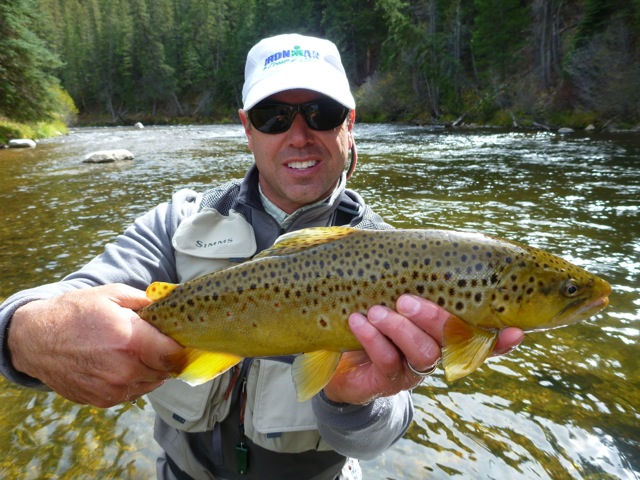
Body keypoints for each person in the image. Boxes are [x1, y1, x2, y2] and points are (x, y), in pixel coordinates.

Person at [0, 33, 523, 479]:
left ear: (350, 122)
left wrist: (350, 401)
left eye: (321, 113)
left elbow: (378, 438)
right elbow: (60, 298)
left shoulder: (396, 256)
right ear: (247, 127)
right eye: (275, 117)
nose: (299, 135)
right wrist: (26, 331)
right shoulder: (178, 222)